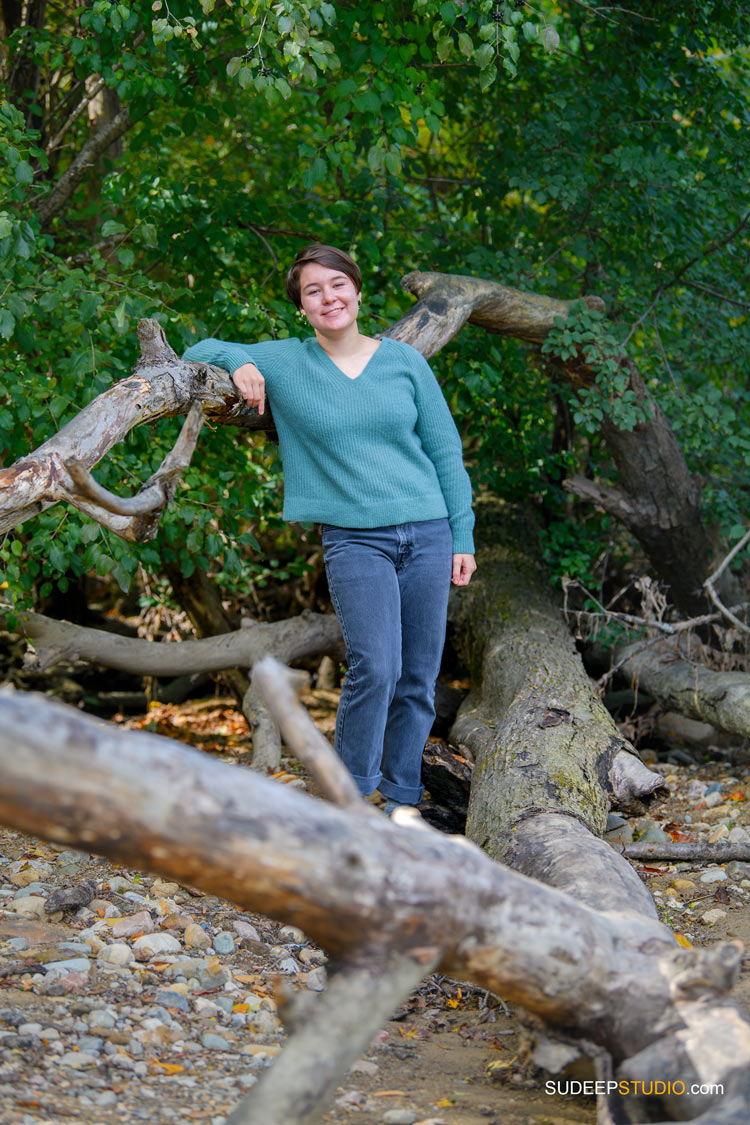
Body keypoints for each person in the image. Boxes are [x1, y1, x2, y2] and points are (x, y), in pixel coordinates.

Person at [183, 244, 476, 815]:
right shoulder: (289, 361)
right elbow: (198, 349)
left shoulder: (404, 363)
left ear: (358, 292)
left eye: (337, 285)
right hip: (354, 538)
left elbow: (446, 452)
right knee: (377, 664)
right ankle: (347, 796)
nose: (328, 297)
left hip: (429, 531)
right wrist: (240, 363)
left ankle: (400, 797)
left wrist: (461, 535)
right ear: (302, 306)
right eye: (313, 291)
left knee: (417, 675)